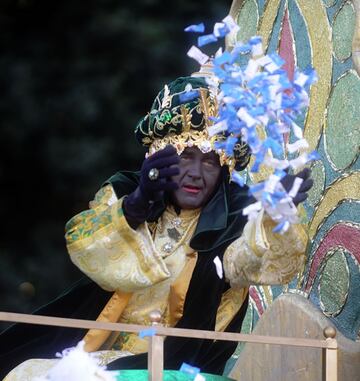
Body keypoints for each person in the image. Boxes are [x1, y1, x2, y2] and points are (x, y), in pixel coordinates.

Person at [2, 75, 313, 379]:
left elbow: (252, 262)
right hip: (91, 348)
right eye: (186, 156)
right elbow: (85, 247)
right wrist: (135, 206)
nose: (195, 173)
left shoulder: (235, 218)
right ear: (159, 159)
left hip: (175, 364)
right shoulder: (124, 193)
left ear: (223, 170)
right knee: (24, 372)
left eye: (209, 161)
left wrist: (274, 216)